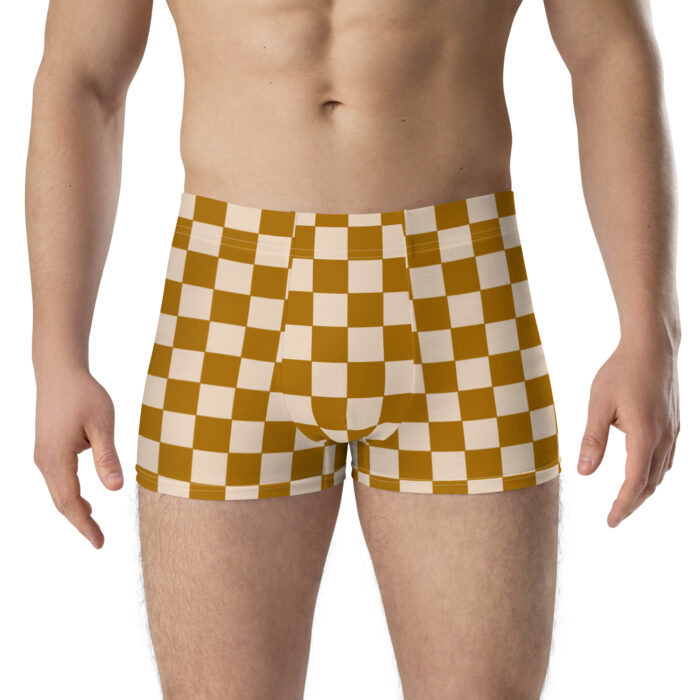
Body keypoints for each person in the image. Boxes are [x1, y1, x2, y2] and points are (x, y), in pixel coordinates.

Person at [25, 0, 681, 697]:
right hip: (228, 300)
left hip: (458, 300)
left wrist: (651, 331)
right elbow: (83, 79)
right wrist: (57, 357)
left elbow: (609, 56)